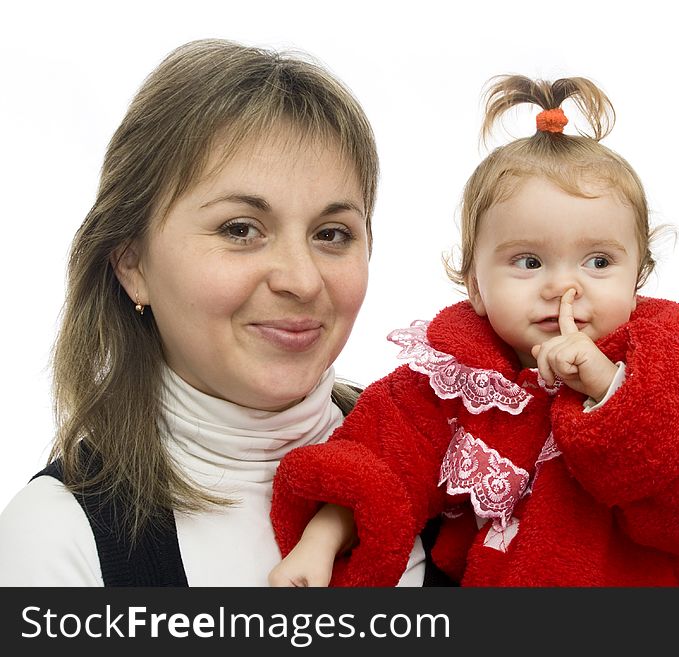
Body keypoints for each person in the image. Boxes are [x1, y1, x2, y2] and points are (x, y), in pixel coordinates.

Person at [268, 75, 679, 587]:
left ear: (638, 278)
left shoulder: (669, 368)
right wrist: (322, 540)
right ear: (476, 287)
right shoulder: (451, 381)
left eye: (598, 261)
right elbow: (381, 459)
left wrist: (608, 390)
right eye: (528, 262)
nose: (562, 287)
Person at [0, 38, 427, 586]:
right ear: (132, 263)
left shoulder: (464, 471)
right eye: (240, 230)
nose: (300, 280)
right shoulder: (54, 541)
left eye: (331, 234)